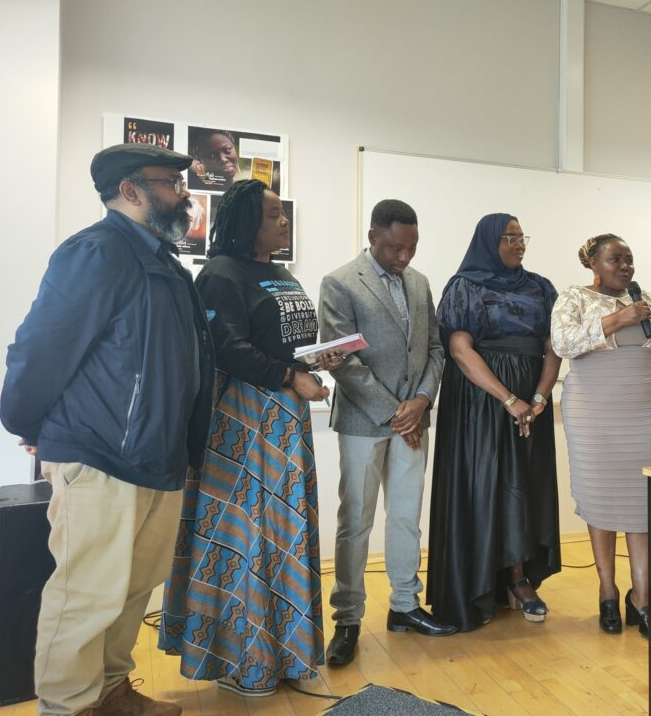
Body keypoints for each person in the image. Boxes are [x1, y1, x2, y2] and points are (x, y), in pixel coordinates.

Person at [0, 144, 215, 716]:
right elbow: (40, 350)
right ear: (130, 190)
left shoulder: (164, 261)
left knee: (130, 592)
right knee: (84, 597)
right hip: (99, 455)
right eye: (170, 183)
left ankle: (112, 691)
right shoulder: (94, 252)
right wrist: (27, 422)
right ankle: (69, 706)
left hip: (157, 456)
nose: (183, 194)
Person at [158, 179, 334, 695]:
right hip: (241, 419)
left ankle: (289, 658)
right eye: (274, 215)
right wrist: (287, 377)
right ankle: (244, 662)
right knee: (248, 537)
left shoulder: (279, 273)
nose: (284, 222)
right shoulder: (220, 273)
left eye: (283, 214)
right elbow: (224, 345)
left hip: (286, 418)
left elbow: (286, 341)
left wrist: (318, 359)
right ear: (245, 222)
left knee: (284, 536)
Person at [318, 199, 455, 668]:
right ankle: (348, 619)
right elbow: (343, 361)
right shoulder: (339, 282)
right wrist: (396, 412)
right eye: (395, 247)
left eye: (411, 248)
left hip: (414, 419)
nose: (404, 257)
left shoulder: (420, 283)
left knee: (405, 517)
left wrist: (420, 402)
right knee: (355, 519)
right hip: (363, 420)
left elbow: (435, 349)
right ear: (373, 236)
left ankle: (404, 606)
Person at [427, 213, 562, 631]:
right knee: (486, 485)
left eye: (522, 238)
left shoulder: (540, 287)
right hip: (480, 401)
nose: (519, 245)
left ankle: (519, 578)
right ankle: (481, 579)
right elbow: (460, 350)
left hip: (532, 400)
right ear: (489, 241)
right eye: (509, 238)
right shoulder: (465, 285)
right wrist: (507, 399)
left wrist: (538, 398)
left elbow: (553, 345)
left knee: (525, 486)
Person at [551, 234, 651, 639]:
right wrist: (616, 320)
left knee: (643, 506)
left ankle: (642, 599)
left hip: (645, 412)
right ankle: (608, 591)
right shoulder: (573, 297)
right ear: (594, 263)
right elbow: (562, 343)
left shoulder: (647, 299)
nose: (625, 266)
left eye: (629, 259)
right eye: (615, 259)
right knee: (601, 503)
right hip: (594, 415)